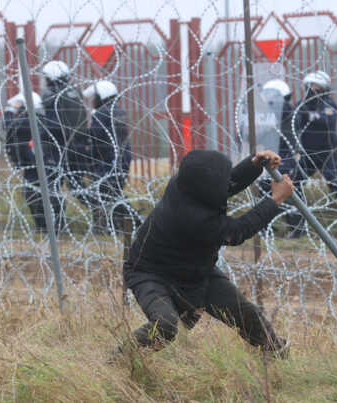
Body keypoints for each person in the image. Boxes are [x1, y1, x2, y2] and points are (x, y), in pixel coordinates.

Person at [122, 149, 293, 358]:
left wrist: (253, 165)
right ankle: (120, 361)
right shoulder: (193, 218)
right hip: (150, 272)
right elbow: (237, 232)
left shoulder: (183, 184)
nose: (227, 181)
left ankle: (278, 359)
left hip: (193, 269)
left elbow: (223, 185)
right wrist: (275, 200)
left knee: (247, 314)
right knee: (165, 324)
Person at [290, 70, 337, 238]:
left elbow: (327, 120)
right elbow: (293, 122)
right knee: (294, 185)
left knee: (335, 184)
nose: (312, 89)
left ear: (324, 89)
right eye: (310, 86)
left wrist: (309, 115)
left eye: (316, 87)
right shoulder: (301, 104)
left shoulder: (328, 104)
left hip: (327, 153)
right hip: (308, 154)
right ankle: (298, 226)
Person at [83, 80, 142, 233]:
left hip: (109, 160)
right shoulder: (118, 111)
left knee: (104, 192)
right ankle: (127, 224)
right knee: (112, 193)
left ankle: (130, 223)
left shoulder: (102, 113)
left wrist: (86, 154)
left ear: (102, 95)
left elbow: (94, 136)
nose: (94, 100)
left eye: (96, 96)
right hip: (122, 157)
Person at [39, 61, 90, 229]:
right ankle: (106, 212)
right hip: (78, 146)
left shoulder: (51, 94)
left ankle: (56, 225)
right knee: (76, 186)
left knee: (52, 188)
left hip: (57, 149)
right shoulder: (75, 92)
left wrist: (41, 137)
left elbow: (53, 125)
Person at [3, 91, 63, 233]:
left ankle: (45, 226)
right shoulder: (41, 119)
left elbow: (9, 127)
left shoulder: (28, 120)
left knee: (34, 194)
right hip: (44, 163)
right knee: (48, 193)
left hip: (35, 166)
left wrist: (10, 111)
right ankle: (56, 225)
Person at [256, 79, 303, 233]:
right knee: (266, 189)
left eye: (271, 94)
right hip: (275, 154)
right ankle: (266, 225)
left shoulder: (283, 109)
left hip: (283, 155)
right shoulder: (275, 111)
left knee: (283, 190)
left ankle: (296, 226)